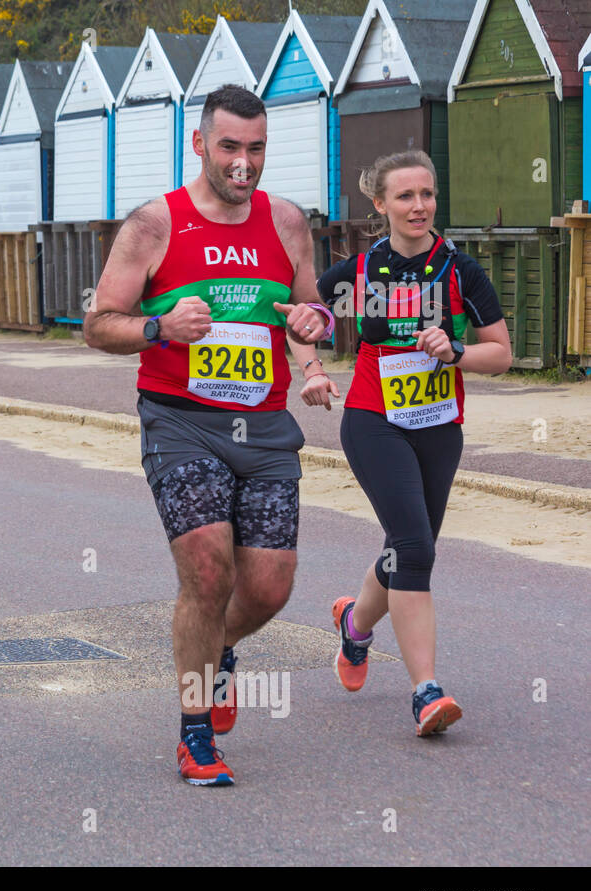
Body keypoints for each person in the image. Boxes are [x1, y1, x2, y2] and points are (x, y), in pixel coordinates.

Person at [83, 85, 336, 787]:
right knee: (206, 571)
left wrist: (314, 347)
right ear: (199, 144)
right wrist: (162, 328)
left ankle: (217, 650)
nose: (243, 163)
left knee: (270, 587)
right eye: (230, 147)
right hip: (181, 421)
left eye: (256, 148)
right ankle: (196, 734)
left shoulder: (286, 222)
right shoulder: (153, 225)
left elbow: (307, 312)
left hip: (265, 425)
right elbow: (99, 323)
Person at [317, 150, 511, 736]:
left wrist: (457, 353)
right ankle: (425, 691)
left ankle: (355, 624)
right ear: (380, 205)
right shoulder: (359, 271)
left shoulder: (459, 269)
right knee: (413, 546)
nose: (419, 206)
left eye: (427, 194)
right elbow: (302, 316)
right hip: (373, 419)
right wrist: (311, 367)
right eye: (405, 196)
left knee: (413, 544)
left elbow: (501, 353)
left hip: (439, 424)